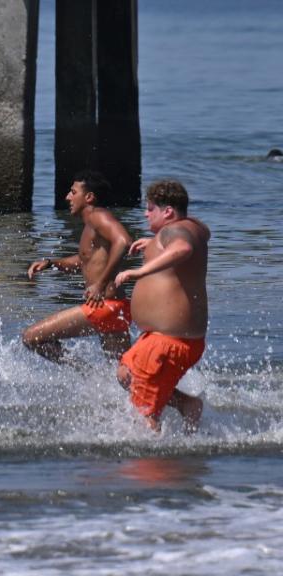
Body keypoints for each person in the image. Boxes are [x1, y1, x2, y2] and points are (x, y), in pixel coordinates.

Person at [114, 179, 209, 432]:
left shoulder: (173, 233)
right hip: (169, 340)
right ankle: (186, 404)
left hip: (166, 344)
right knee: (125, 373)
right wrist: (155, 244)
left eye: (150, 208)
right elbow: (188, 240)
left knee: (143, 416)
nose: (145, 213)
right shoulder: (192, 227)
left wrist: (140, 271)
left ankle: (153, 466)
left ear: (168, 212)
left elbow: (183, 247)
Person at [23, 170, 133, 362]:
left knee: (32, 338)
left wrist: (100, 284)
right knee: (124, 377)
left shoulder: (98, 216)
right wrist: (51, 263)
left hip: (104, 306)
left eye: (73, 192)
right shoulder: (91, 224)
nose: (67, 197)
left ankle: (84, 373)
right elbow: (84, 261)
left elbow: (124, 241)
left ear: (89, 197)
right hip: (116, 308)